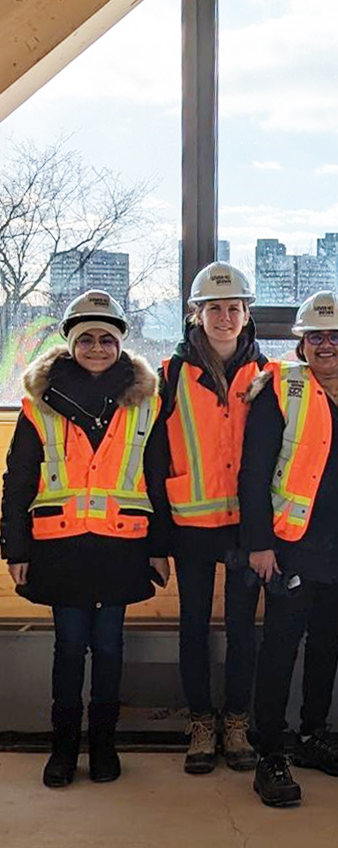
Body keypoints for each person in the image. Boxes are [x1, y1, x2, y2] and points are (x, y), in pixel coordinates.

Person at [0, 290, 170, 788]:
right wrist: (15, 548)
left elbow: (158, 480)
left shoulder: (146, 404)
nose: (97, 347)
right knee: (71, 647)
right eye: (87, 339)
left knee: (110, 648)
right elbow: (18, 481)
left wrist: (160, 548)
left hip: (122, 546)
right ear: (71, 343)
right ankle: (63, 749)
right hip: (60, 547)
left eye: (107, 339)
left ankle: (103, 746)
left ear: (120, 344)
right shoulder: (39, 405)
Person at [238, 291, 338, 808]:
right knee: (280, 647)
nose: (326, 345)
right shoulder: (279, 388)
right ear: (301, 343)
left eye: (335, 336)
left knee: (327, 644)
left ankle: (312, 735)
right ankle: (269, 753)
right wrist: (259, 543)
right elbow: (253, 473)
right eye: (316, 337)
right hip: (291, 547)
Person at [159, 261, 267, 775]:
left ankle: (237, 722)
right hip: (191, 524)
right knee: (194, 626)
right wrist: (157, 539)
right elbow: (154, 456)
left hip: (247, 525)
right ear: (195, 314)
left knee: (243, 627)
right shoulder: (169, 375)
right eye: (214, 309)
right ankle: (202, 723)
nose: (224, 318)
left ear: (246, 315)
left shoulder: (270, 376)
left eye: (234, 308)